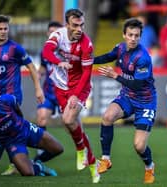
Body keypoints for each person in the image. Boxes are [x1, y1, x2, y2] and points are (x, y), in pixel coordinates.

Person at [0, 15, 44, 176]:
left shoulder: (15, 48)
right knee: (5, 130)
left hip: (13, 97)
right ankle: (14, 162)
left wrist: (38, 89)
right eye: (0, 29)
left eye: (6, 29)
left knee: (3, 129)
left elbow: (32, 67)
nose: (3, 32)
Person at [94, 18, 157, 184]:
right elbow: (108, 56)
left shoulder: (143, 57)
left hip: (145, 102)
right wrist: (89, 61)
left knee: (139, 146)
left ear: (140, 37)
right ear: (124, 35)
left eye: (137, 35)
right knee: (107, 117)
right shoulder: (120, 47)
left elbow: (137, 85)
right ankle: (106, 159)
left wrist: (116, 75)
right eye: (130, 35)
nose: (133, 38)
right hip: (128, 96)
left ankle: (149, 166)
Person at [42, 8, 100, 183]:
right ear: (67, 24)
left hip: (79, 86)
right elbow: (46, 52)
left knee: (68, 120)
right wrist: (59, 62)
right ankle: (92, 163)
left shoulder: (86, 44)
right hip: (60, 86)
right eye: (75, 25)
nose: (79, 29)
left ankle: (81, 149)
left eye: (81, 25)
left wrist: (75, 94)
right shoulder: (58, 36)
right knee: (72, 125)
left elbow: (86, 73)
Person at [0, 90, 63, 177]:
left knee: (58, 149)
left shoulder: (6, 100)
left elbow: (17, 110)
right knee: (28, 173)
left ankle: (35, 162)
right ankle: (39, 167)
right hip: (13, 143)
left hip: (26, 129)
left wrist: (23, 123)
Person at [36, 21, 63, 156]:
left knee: (70, 124)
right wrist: (38, 73)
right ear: (47, 33)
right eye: (51, 31)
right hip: (49, 93)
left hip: (65, 94)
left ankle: (83, 149)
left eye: (57, 32)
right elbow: (43, 66)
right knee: (41, 118)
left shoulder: (67, 51)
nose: (54, 34)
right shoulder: (44, 51)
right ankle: (42, 147)